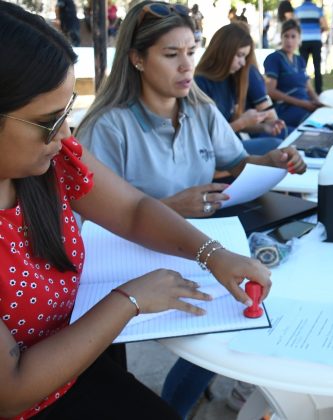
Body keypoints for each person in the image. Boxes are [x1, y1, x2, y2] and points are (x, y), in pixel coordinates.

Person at [0, 2, 273, 419]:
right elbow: (12, 391)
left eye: (68, 111)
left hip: (73, 366)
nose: (67, 134)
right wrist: (130, 300)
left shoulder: (52, 159)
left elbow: (132, 210)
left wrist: (213, 254)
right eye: (48, 121)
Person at [76, 1, 306, 220]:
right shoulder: (107, 128)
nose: (187, 66)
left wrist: (270, 162)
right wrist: (169, 209)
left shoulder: (202, 110)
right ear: (137, 59)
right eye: (171, 54)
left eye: (191, 52)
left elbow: (237, 163)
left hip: (205, 239)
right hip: (141, 253)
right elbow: (93, 217)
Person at [195, 22, 285, 156]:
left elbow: (229, 122)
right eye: (239, 55)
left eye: (245, 56)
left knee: (282, 144)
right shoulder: (199, 84)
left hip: (232, 144)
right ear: (223, 51)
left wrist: (264, 127)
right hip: (214, 153)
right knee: (277, 148)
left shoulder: (229, 79)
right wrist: (242, 122)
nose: (243, 63)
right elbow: (206, 139)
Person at [264, 19, 324, 129]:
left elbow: (309, 88)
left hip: (305, 105)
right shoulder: (274, 59)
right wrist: (303, 104)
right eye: (286, 36)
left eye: (293, 36)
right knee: (314, 124)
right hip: (286, 109)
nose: (289, 41)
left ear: (299, 39)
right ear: (281, 37)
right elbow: (270, 91)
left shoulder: (300, 60)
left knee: (325, 118)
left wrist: (317, 102)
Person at [294, 0, 328, 95]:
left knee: (302, 67)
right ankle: (318, 90)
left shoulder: (297, 10)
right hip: (316, 40)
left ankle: (302, 88)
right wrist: (318, 30)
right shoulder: (317, 10)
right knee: (317, 66)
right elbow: (325, 26)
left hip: (303, 41)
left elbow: (295, 26)